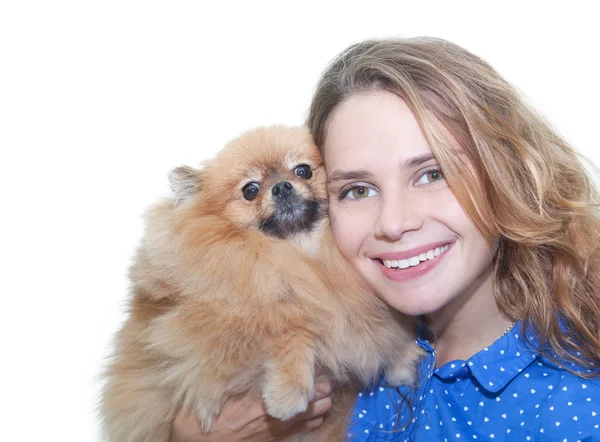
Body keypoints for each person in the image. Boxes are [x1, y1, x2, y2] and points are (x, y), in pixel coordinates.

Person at [170, 37, 600, 441]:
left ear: (507, 173)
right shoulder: (339, 351)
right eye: (358, 190)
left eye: (433, 174)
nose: (394, 223)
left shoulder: (576, 405)